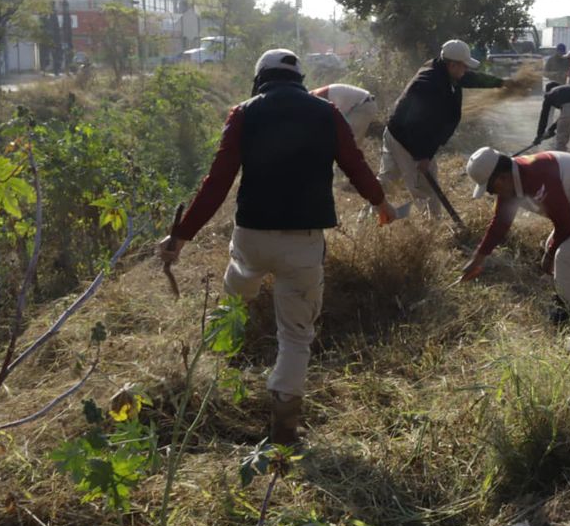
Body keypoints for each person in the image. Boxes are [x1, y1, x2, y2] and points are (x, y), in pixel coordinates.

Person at [157, 49, 396, 445]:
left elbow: (217, 182)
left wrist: (180, 235)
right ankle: (284, 425)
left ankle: (216, 366)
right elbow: (356, 166)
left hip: (252, 235)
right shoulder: (327, 113)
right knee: (296, 336)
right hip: (303, 242)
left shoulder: (243, 113)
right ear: (299, 78)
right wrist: (380, 203)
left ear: (260, 77)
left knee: (235, 297)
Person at [460, 146, 570, 330]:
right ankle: (564, 300)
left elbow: (565, 225)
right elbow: (500, 223)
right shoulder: (512, 180)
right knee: (553, 247)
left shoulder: (536, 177)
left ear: (501, 178)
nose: (491, 193)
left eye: (490, 188)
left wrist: (549, 257)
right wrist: (478, 258)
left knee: (567, 255)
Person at [381, 39, 504, 215]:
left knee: (388, 181)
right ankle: (432, 227)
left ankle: (370, 217)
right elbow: (417, 124)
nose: (466, 69)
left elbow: (469, 78)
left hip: (398, 132)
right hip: (406, 139)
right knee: (424, 189)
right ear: (453, 65)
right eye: (464, 65)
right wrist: (423, 155)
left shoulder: (444, 70)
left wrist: (499, 83)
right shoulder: (429, 84)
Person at [311, 83, 377, 140]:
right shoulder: (314, 97)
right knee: (349, 144)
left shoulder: (316, 98)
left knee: (348, 142)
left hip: (363, 106)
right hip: (361, 107)